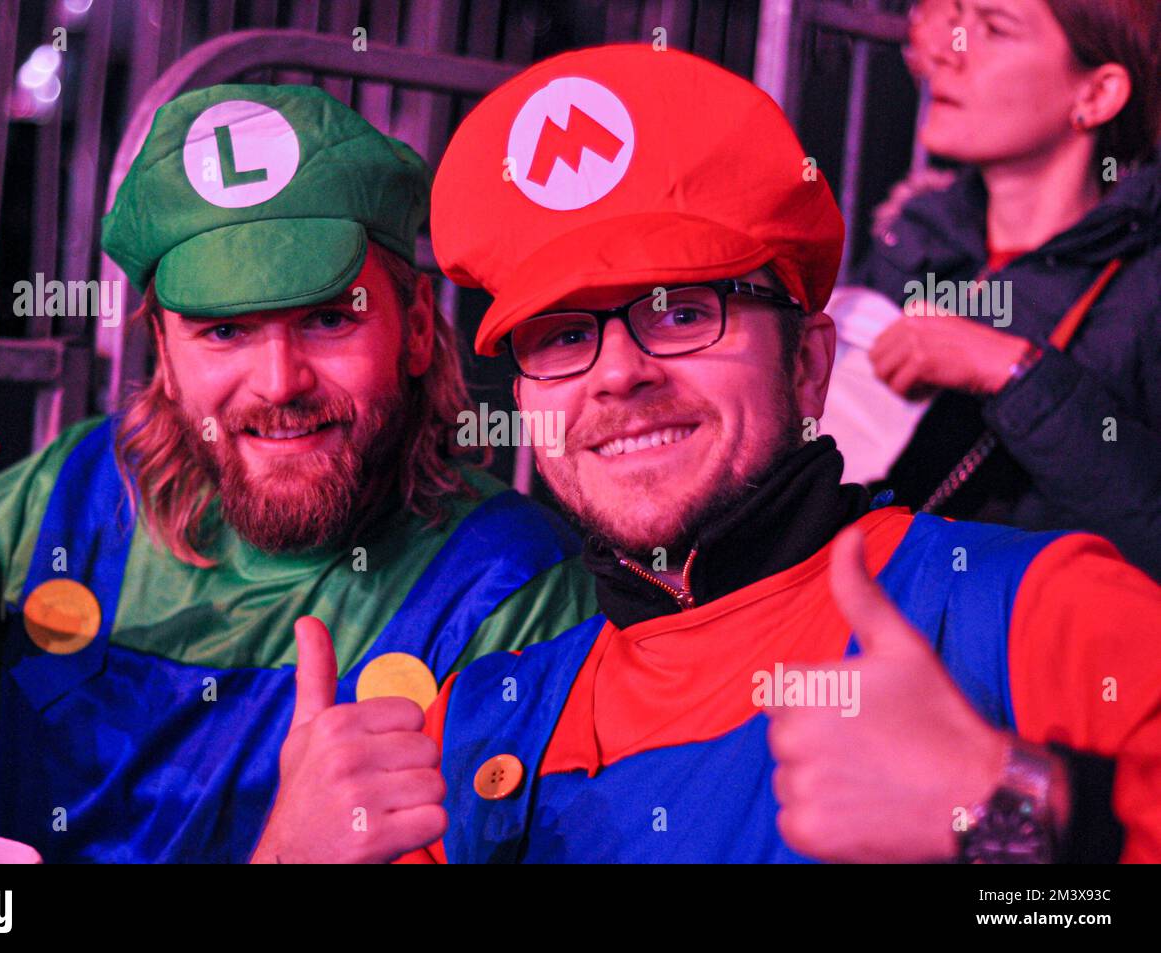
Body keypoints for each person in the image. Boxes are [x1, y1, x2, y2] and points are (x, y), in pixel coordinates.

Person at [379, 44, 1161, 863]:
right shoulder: (474, 724)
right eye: (565, 335)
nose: (616, 374)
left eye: (682, 312)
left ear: (809, 364)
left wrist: (1018, 818)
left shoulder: (1028, 610)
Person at [0, 85, 597, 863]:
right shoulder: (67, 498)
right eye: (224, 330)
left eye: (328, 317)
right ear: (165, 360)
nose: (280, 381)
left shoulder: (513, 592)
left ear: (415, 330)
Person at [856, 0, 1161, 580]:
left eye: (994, 28)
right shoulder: (918, 236)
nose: (947, 50)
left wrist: (1013, 373)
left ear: (1095, 96)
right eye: (956, 19)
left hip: (1044, 655)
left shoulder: (1145, 282)